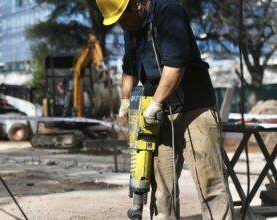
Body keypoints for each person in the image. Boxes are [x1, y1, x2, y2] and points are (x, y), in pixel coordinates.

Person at [96, 0, 234, 219]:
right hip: (158, 111)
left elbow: (175, 65)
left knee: (210, 183)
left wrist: (156, 104)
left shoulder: (169, 12)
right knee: (162, 188)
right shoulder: (131, 27)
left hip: (193, 109)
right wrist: (125, 101)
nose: (122, 26)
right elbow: (128, 67)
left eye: (123, 19)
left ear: (138, 5)